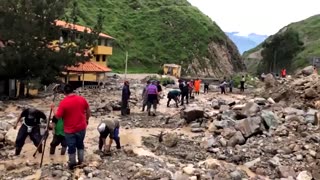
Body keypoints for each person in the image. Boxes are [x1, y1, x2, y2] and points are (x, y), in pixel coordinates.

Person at [51, 84, 91, 170]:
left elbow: (58, 116)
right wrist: (86, 120)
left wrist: (53, 108)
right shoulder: (82, 99)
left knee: (71, 146)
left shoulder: (63, 103)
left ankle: (72, 164)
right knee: (80, 144)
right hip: (81, 128)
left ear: (64, 92)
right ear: (73, 90)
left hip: (70, 130)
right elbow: (88, 112)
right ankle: (81, 161)